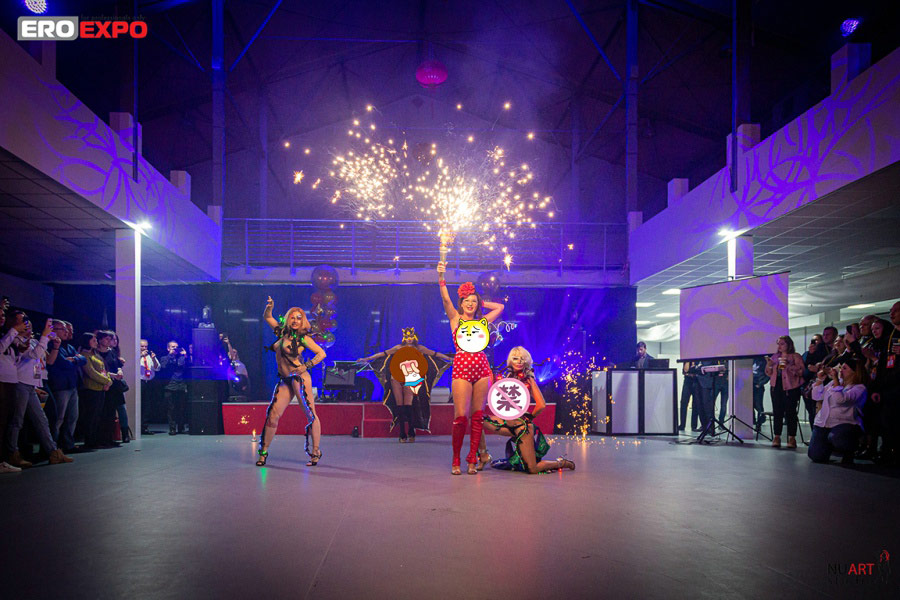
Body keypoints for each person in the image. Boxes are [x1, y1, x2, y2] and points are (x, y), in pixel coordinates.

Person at [437, 262, 505, 475]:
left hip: (482, 370)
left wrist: (481, 301)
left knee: (477, 417)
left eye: (474, 301)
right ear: (461, 303)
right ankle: (456, 459)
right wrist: (441, 277)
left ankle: (472, 459)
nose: (470, 304)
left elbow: (500, 308)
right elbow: (446, 300)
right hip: (462, 370)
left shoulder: (482, 321)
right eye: (467, 300)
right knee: (460, 417)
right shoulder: (455, 319)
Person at [256, 296, 327, 467]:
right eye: (293, 317)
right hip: (285, 380)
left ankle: (316, 451)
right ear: (288, 319)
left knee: (311, 414)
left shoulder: (303, 338)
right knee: (273, 415)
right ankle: (263, 452)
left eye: (299, 318)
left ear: (303, 321)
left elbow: (321, 353)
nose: (295, 321)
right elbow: (267, 317)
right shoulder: (281, 333)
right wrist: (270, 307)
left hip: (299, 378)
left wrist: (306, 366)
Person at [484, 346, 575, 474]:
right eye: (515, 358)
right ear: (510, 360)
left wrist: (529, 418)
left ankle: (561, 463)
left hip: (521, 427)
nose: (519, 361)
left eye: (522, 359)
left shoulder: (528, 380)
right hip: (505, 422)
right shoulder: (506, 377)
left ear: (527, 361)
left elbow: (541, 404)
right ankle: (483, 455)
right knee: (477, 419)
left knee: (532, 468)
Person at [358, 327, 451, 443]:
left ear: (414, 337)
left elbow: (435, 354)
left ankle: (411, 431)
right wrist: (367, 358)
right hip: (396, 377)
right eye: (407, 337)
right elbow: (382, 354)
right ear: (404, 337)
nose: (409, 339)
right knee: (400, 405)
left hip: (410, 378)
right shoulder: (398, 348)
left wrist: (449, 358)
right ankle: (402, 433)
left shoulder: (419, 348)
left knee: (409, 405)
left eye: (411, 336)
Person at [7, 317, 73, 466]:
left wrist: (54, 346)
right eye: (24, 325)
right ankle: (12, 453)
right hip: (20, 384)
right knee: (17, 420)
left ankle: (53, 452)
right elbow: (33, 355)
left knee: (42, 420)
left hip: (31, 385)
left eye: (29, 325)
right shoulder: (15, 341)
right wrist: (44, 336)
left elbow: (46, 361)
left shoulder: (34, 341)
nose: (28, 328)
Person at [808, 359, 867, 465]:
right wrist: (820, 380)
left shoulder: (859, 388)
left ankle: (849, 450)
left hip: (844, 423)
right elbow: (816, 396)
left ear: (854, 372)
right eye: (841, 368)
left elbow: (840, 399)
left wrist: (835, 380)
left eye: (844, 368)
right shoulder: (833, 383)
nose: (841, 371)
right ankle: (827, 447)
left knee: (837, 438)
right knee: (815, 456)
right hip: (824, 423)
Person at [46, 320, 86, 452]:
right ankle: (53, 446)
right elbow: (61, 363)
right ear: (53, 330)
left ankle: (68, 444)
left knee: (72, 417)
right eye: (63, 329)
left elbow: (83, 360)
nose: (66, 332)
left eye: (67, 329)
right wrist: (75, 360)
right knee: (58, 418)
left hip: (72, 385)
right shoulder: (50, 346)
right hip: (60, 386)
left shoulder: (69, 347)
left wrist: (73, 359)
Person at [765, 336, 805, 449]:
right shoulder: (775, 356)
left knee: (791, 412)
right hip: (776, 386)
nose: (779, 346)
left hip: (791, 387)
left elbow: (801, 371)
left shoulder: (795, 356)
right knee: (777, 411)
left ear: (788, 344)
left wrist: (789, 366)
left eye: (782, 344)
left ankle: (792, 437)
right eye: (778, 344)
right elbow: (768, 373)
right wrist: (769, 365)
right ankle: (777, 436)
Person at [0, 308, 27, 472]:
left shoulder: (10, 337)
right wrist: (14, 331)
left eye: (3, 314)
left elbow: (22, 358)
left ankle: (3, 459)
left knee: (6, 422)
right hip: (2, 382)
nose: (20, 324)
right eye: (17, 321)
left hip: (11, 381)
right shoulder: (7, 336)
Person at [78, 332, 114, 448]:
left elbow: (104, 369)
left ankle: (97, 439)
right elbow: (91, 372)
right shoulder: (84, 355)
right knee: (91, 416)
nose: (96, 342)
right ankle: (90, 441)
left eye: (96, 340)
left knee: (99, 416)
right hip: (91, 388)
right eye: (93, 340)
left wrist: (108, 381)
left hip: (101, 389)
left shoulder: (96, 354)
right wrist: (106, 381)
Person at [96, 331, 130, 442]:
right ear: (100, 340)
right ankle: (107, 437)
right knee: (107, 411)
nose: (109, 341)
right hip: (105, 384)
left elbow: (118, 365)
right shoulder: (96, 353)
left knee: (121, 408)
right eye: (107, 339)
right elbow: (100, 370)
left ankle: (125, 433)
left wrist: (119, 371)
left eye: (110, 339)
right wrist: (113, 375)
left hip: (116, 385)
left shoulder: (112, 352)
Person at [157, 340, 190, 435]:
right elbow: (163, 367)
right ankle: (172, 428)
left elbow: (188, 367)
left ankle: (181, 427)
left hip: (181, 385)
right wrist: (170, 355)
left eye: (176, 347)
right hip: (170, 386)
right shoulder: (164, 358)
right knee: (171, 409)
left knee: (181, 408)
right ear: (168, 348)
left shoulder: (182, 357)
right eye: (173, 347)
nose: (175, 349)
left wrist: (186, 356)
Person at [139, 339, 160, 435]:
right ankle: (136, 427)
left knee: (147, 405)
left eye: (146, 346)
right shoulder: (136, 355)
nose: (144, 348)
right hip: (140, 382)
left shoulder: (150, 356)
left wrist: (153, 359)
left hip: (149, 382)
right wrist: (140, 355)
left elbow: (157, 368)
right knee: (139, 404)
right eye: (142, 346)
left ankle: (144, 427)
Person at [679, 361, 701, 432]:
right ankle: (682, 425)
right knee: (683, 402)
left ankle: (694, 426)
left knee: (695, 404)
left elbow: (698, 371)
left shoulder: (698, 360)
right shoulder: (687, 360)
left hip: (696, 381)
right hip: (687, 381)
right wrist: (688, 361)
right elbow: (685, 371)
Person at [752, 356, 769, 430]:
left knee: (758, 404)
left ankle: (759, 422)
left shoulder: (764, 361)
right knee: (751, 404)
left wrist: (761, 383)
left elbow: (768, 375)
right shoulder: (750, 359)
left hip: (758, 386)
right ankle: (755, 420)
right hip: (749, 385)